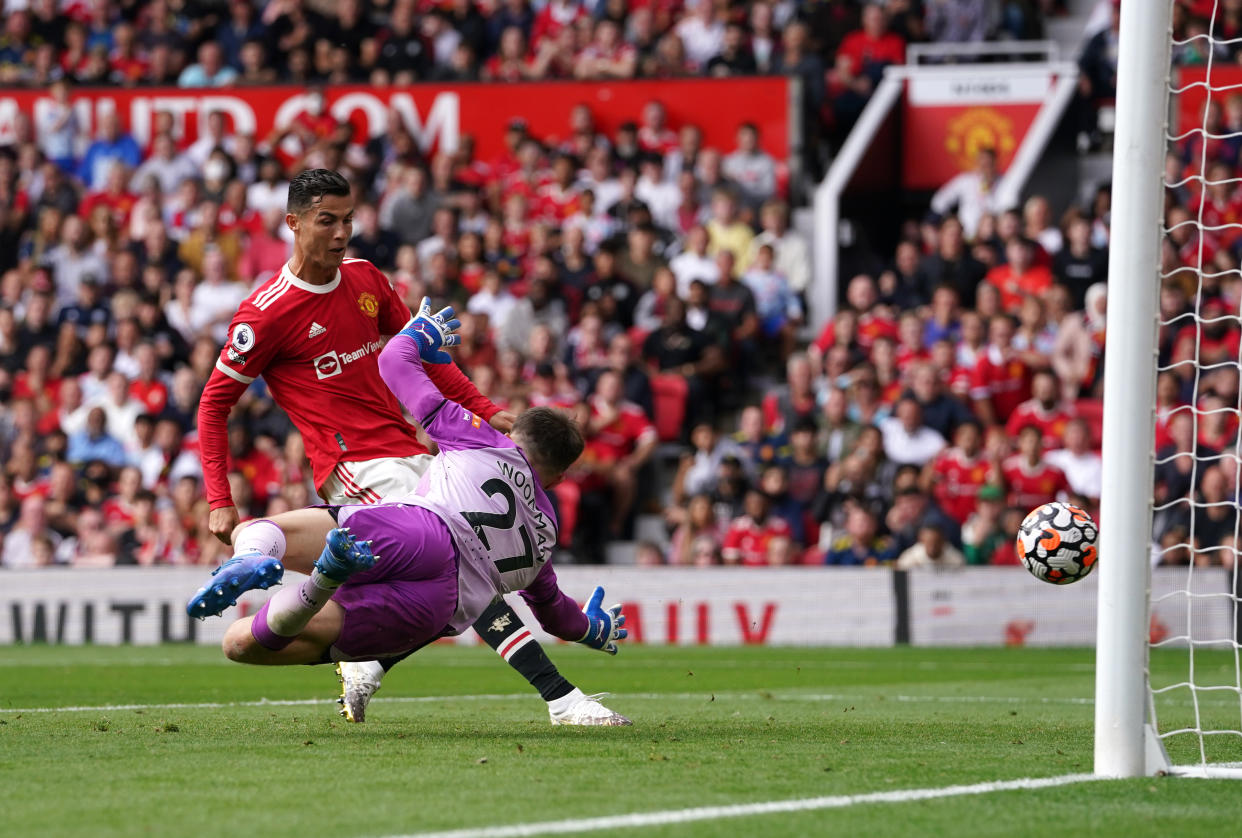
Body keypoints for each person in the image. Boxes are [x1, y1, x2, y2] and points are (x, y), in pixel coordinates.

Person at [195, 169, 616, 726]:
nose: (342, 233)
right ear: (292, 223)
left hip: (413, 451)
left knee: (451, 581)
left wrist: (486, 409)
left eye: (349, 219)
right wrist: (219, 497)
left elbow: (429, 359)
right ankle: (561, 698)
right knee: (470, 565)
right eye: (328, 221)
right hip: (354, 463)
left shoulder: (367, 279)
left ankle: (373, 660)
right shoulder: (266, 313)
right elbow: (213, 404)